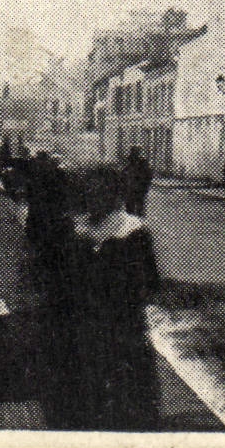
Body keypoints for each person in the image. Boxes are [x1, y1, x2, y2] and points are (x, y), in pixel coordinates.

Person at [70, 169, 163, 430]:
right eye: (88, 192)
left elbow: (148, 281)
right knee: (92, 393)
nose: (92, 197)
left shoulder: (133, 230)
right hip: (88, 324)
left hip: (124, 324)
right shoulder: (80, 229)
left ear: (114, 195)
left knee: (131, 393)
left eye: (100, 191)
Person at [122, 147, 153, 217]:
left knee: (137, 209)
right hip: (132, 190)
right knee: (132, 209)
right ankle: (135, 220)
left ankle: (136, 220)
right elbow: (123, 177)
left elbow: (149, 176)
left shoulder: (141, 164)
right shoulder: (129, 164)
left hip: (138, 189)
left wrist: (145, 186)